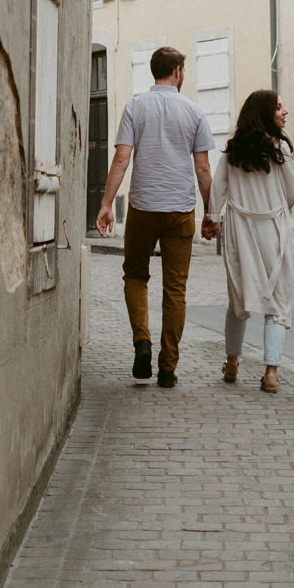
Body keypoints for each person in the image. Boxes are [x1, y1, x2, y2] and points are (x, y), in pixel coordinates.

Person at [94, 46, 215, 389]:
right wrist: (212, 212)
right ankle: (167, 368)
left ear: (154, 72)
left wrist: (106, 204)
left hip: (143, 206)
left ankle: (142, 342)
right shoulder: (194, 111)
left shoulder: (135, 107)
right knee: (175, 288)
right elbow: (203, 168)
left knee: (135, 275)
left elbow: (121, 159)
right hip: (180, 209)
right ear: (177, 71)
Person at [206, 89, 294, 393]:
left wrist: (213, 218)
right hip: (273, 228)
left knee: (238, 297)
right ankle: (271, 372)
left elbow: (218, 189)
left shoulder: (233, 151)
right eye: (279, 108)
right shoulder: (279, 150)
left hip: (240, 230)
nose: (285, 112)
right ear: (264, 114)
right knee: (277, 299)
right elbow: (292, 194)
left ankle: (232, 362)